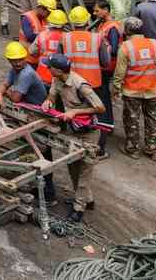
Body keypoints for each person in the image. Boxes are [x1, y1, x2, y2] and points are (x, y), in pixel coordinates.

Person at [42, 54, 106, 222]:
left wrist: (76, 111)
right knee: (73, 166)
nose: (47, 68)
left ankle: (79, 208)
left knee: (85, 169)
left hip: (88, 132)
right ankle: (87, 199)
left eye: (49, 67)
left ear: (57, 69)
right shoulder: (57, 80)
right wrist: (48, 101)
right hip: (73, 130)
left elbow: (100, 107)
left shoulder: (80, 85)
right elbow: (52, 95)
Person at [0, 41, 58, 205]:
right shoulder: (15, 70)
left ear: (25, 57)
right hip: (28, 116)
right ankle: (36, 186)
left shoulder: (26, 73)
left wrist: (4, 92)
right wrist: (0, 94)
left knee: (42, 153)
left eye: (20, 59)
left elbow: (15, 98)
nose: (17, 63)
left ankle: (49, 194)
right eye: (13, 60)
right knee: (31, 151)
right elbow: (4, 85)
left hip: (39, 118)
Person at [113, 17, 156, 161]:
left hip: (132, 91)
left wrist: (116, 89)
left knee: (132, 119)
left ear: (126, 30)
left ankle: (133, 149)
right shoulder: (155, 44)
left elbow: (119, 73)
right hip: (153, 89)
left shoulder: (125, 47)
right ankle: (152, 149)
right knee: (153, 119)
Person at [93, 0, 122, 156]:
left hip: (107, 67)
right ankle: (107, 125)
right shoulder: (103, 24)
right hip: (102, 66)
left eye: (97, 11)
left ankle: (107, 125)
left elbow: (114, 49)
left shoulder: (112, 28)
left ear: (106, 10)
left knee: (103, 96)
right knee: (102, 95)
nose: (95, 13)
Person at [28, 8, 67, 84]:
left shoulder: (42, 35)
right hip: (59, 78)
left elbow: (31, 51)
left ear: (49, 22)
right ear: (64, 24)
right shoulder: (66, 37)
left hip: (42, 76)